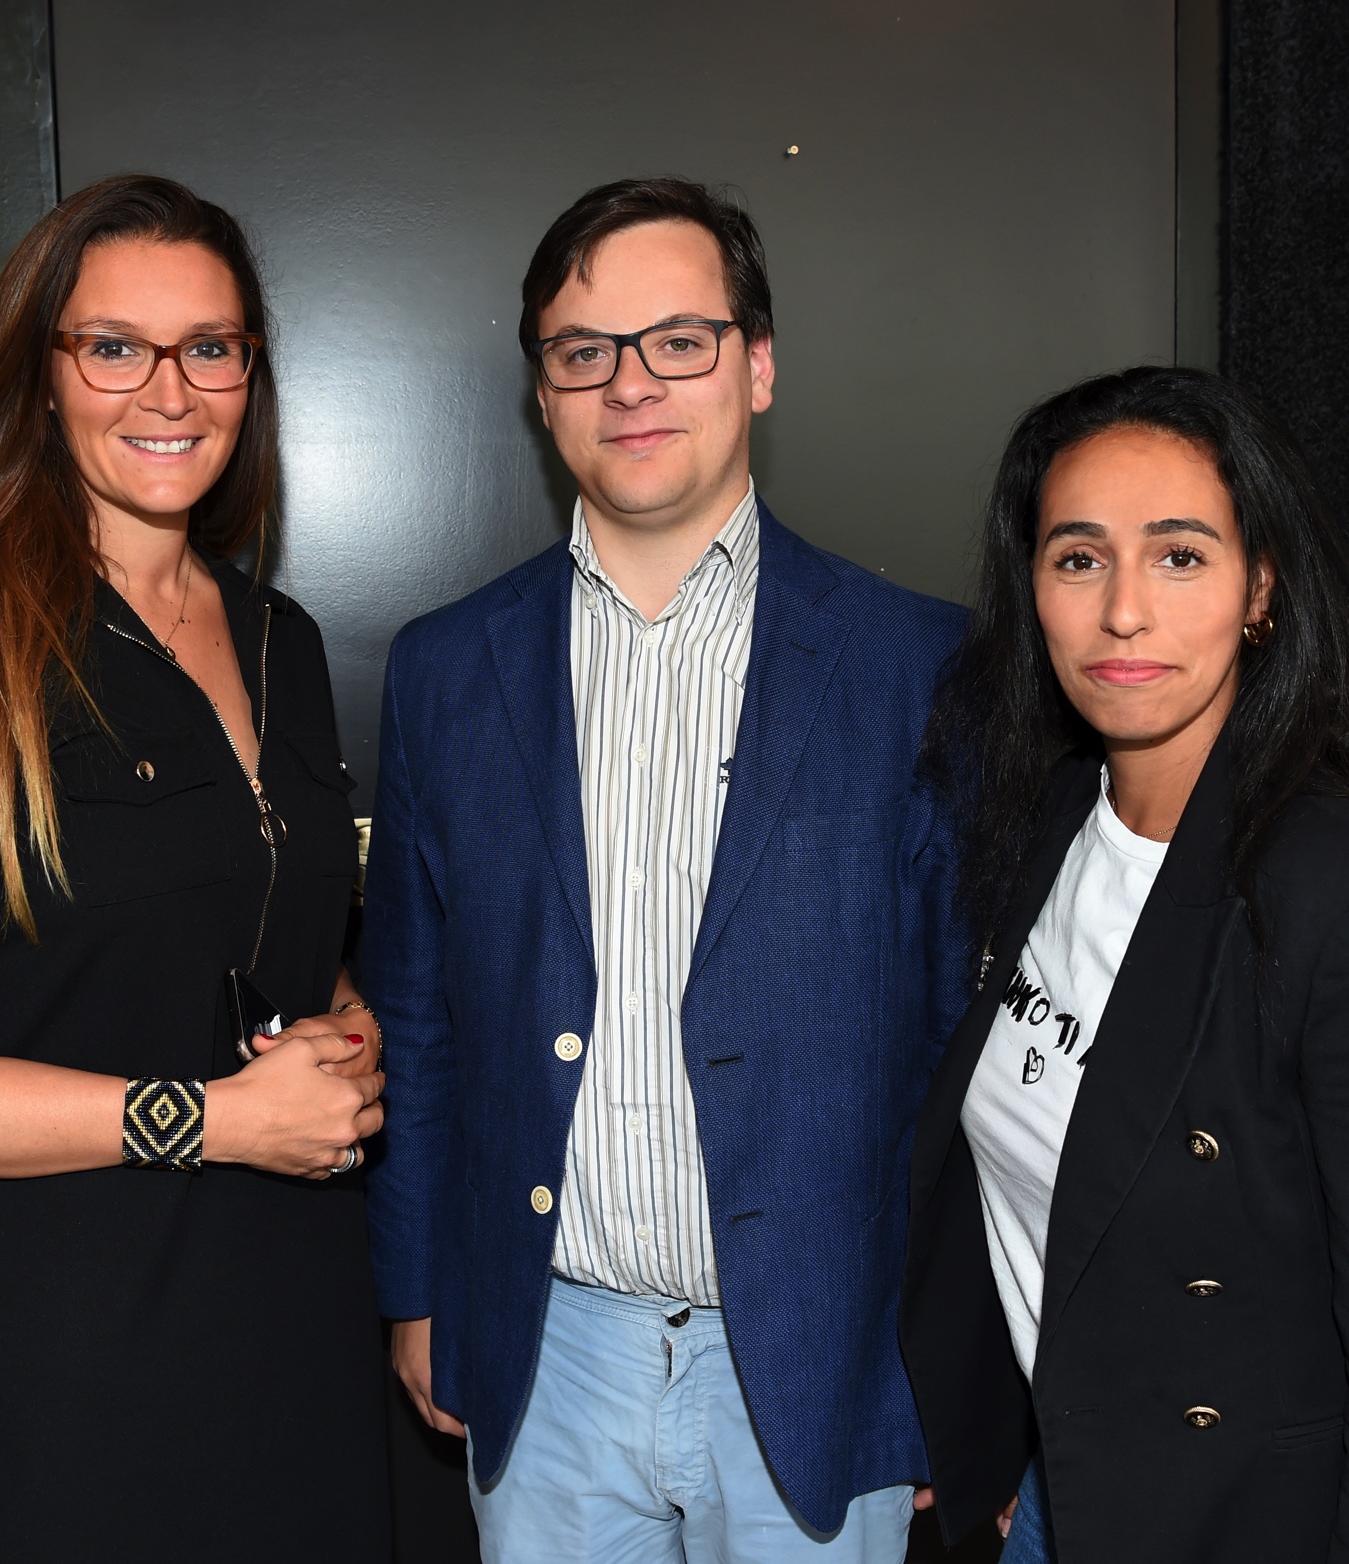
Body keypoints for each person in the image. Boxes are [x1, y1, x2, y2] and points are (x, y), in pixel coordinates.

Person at [0, 175, 390, 1561]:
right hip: (64, 1358)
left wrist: (347, 1019)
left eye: (210, 347)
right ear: (40, 375)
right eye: (115, 346)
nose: (169, 391)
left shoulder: (280, 640)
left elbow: (258, 922)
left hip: (296, 1311)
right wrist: (210, 1119)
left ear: (250, 373)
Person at [360, 178, 969, 1562]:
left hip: (822, 1358)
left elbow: (956, 1042)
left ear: (757, 366)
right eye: (585, 351)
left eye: (679, 340)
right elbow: (416, 1014)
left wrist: (944, 1355)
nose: (630, 383)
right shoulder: (445, 670)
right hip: (549, 1355)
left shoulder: (918, 665)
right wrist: (417, 1291)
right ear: (543, 394)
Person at [900, 367, 1349, 1562]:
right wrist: (997, 1442)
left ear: (1259, 588)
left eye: (1178, 556)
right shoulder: (1045, 825)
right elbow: (1026, 1200)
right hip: (1076, 1494)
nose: (1123, 611)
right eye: (1078, 558)